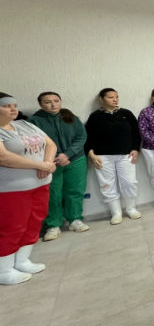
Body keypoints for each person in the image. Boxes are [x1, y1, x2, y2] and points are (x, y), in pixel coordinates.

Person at [0, 93, 56, 285]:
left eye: (14, 105)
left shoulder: (25, 124)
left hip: (40, 184)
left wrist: (47, 162)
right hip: (11, 190)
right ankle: (4, 269)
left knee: (34, 221)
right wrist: (40, 166)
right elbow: (4, 158)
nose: (13, 109)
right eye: (6, 106)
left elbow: (50, 144)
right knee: (13, 226)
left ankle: (22, 260)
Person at [29, 92, 90, 241]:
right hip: (50, 163)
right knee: (53, 194)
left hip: (75, 160)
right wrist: (54, 158)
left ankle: (75, 219)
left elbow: (81, 137)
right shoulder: (34, 122)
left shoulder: (70, 117)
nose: (53, 104)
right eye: (47, 102)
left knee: (75, 191)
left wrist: (67, 154)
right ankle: (53, 225)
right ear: (40, 104)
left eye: (56, 101)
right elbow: (34, 145)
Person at [84, 88, 141, 224]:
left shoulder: (126, 114)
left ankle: (131, 208)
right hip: (102, 156)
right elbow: (88, 137)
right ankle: (116, 213)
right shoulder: (95, 116)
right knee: (107, 185)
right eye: (110, 97)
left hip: (126, 154)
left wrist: (135, 149)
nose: (115, 100)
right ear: (101, 99)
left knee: (130, 182)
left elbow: (136, 133)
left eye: (116, 97)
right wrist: (91, 154)